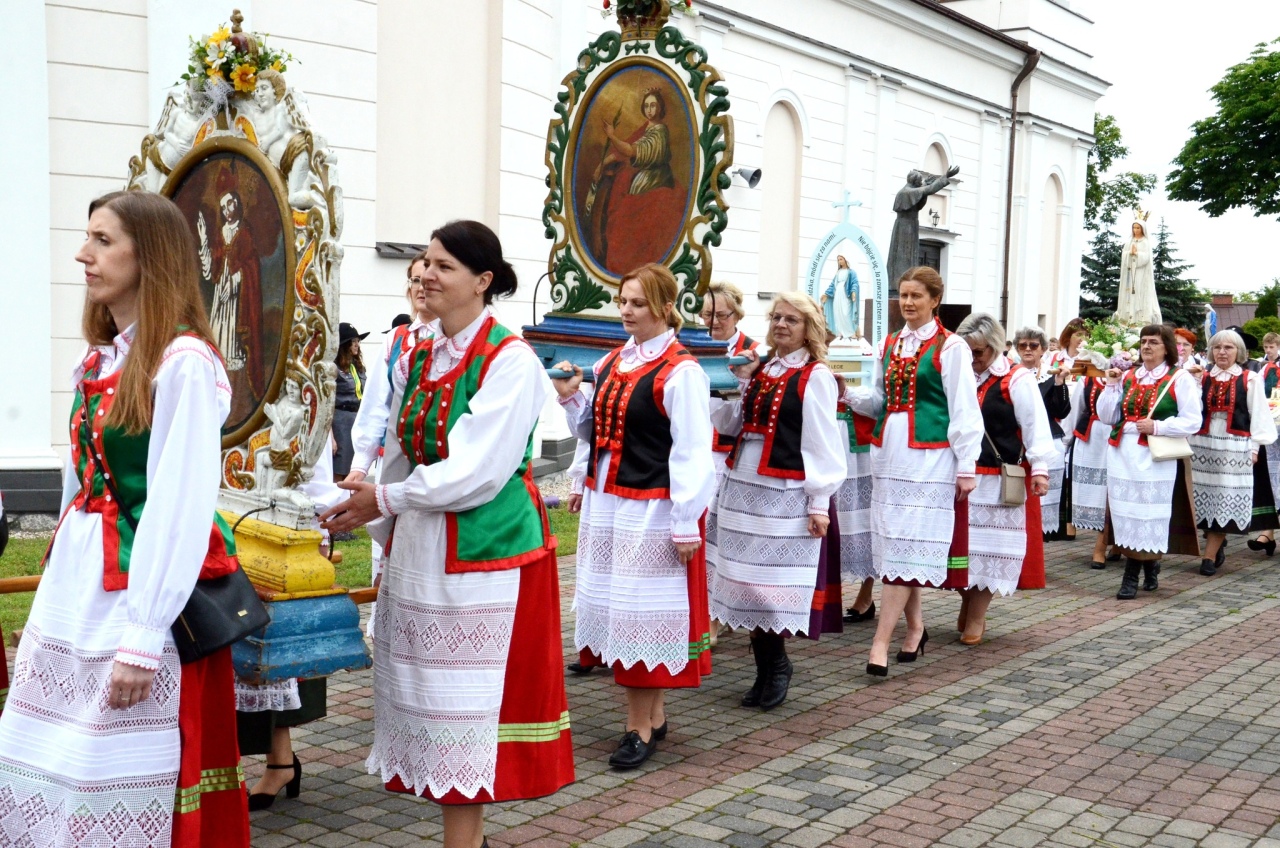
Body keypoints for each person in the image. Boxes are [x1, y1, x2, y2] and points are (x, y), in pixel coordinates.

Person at [0, 191, 248, 846]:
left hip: (140, 589)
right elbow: (82, 486)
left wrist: (143, 635)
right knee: (46, 753)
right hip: (81, 584)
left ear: (152, 255)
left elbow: (178, 503)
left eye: (103, 240)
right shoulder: (102, 358)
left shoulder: (184, 363)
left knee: (111, 765)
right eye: (88, 238)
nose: (84, 254)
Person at [321, 220, 573, 848]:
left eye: (444, 266)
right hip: (422, 541)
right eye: (425, 262)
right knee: (429, 698)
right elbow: (404, 450)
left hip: (483, 550)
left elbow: (475, 472)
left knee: (466, 705)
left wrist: (386, 498)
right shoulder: (420, 349)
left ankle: (466, 842)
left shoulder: (509, 360)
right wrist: (375, 510)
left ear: (483, 282)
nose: (426, 275)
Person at [552, 264, 715, 770]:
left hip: (653, 504)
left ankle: (638, 727)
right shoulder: (610, 363)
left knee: (640, 614)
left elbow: (692, 449)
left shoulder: (681, 371)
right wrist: (574, 400)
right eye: (622, 301)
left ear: (666, 308)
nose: (625, 310)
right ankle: (655, 715)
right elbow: (595, 429)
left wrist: (687, 518)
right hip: (609, 504)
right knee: (617, 611)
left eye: (637, 303)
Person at [710, 293, 845, 710]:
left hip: (784, 492)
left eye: (791, 319)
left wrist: (819, 503)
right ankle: (767, 667)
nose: (781, 325)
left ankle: (777, 665)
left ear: (809, 328)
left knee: (770, 585)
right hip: (743, 483)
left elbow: (822, 441)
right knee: (743, 581)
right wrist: (718, 394)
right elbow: (737, 423)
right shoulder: (763, 368)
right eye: (776, 317)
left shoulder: (815, 375)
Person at [846, 266, 982, 676]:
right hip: (890, 455)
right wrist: (846, 393)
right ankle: (916, 627)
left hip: (930, 457)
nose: (907, 303)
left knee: (907, 544)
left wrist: (967, 465)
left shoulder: (951, 346)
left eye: (916, 296)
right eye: (903, 295)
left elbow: (963, 408)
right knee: (896, 547)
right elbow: (879, 401)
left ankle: (880, 643)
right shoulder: (890, 343)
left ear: (934, 300)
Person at [955, 314, 1053, 645]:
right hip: (959, 476)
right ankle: (966, 600)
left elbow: (1034, 424)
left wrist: (1039, 468)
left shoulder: (1016, 379)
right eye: (968, 351)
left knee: (989, 553)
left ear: (995, 347)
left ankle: (977, 616)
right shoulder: (959, 375)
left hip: (997, 479)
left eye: (979, 352)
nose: (973, 358)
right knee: (960, 551)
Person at [1097, 324, 1202, 599]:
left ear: (1166, 347)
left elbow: (1193, 421)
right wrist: (1110, 385)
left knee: (1147, 513)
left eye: (1153, 342)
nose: (1146, 346)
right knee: (1125, 513)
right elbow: (1108, 417)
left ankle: (1131, 575)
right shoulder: (1129, 376)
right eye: (1144, 341)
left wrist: (1157, 426)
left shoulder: (1179, 378)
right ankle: (1151, 563)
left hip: (1155, 455)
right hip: (1123, 453)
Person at [700, 281, 761, 641]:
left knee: (722, 535)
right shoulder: (694, 346)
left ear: (736, 314)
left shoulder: (753, 351)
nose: (713, 322)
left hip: (729, 454)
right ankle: (704, 607)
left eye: (720, 315)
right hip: (696, 451)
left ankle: (719, 612)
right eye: (706, 314)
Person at [1190, 330, 1278, 576]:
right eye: (1217, 348)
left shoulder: (1249, 378)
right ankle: (1214, 544)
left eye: (1228, 348)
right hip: (1202, 445)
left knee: (1223, 499)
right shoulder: (1203, 377)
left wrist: (1254, 448)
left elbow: (1259, 414)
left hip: (1234, 444)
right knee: (1202, 499)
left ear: (1239, 352)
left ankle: (1208, 556)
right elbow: (1193, 412)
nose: (1222, 352)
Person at [585, 89, 687, 275]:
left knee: (629, 223)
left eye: (653, 105)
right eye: (646, 105)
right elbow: (624, 150)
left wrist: (612, 136)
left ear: (660, 107)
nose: (649, 109)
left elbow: (631, 151)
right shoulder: (646, 128)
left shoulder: (660, 132)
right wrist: (603, 163)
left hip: (655, 182)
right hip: (641, 182)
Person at [1014, 327, 1072, 539]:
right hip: (1017, 443)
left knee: (1043, 499)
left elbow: (1061, 411)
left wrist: (1059, 384)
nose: (1028, 349)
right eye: (1023, 345)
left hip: (1047, 441)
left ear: (1044, 350)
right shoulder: (1011, 374)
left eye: (1034, 345)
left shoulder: (1050, 375)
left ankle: (1038, 552)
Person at [1070, 367, 1115, 568]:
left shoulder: (1127, 380)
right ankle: (1107, 544)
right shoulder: (1086, 381)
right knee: (1093, 494)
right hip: (1090, 441)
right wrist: (1065, 441)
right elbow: (1075, 412)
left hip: (1115, 439)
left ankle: (1102, 546)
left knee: (1111, 492)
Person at [332, 321, 369, 481]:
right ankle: (338, 503)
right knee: (340, 467)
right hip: (341, 420)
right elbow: (328, 402)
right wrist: (331, 436)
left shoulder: (356, 366)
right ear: (344, 344)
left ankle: (348, 502)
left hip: (357, 419)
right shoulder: (334, 369)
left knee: (354, 467)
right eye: (353, 341)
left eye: (358, 341)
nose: (357, 345)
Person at [1116, 220, 1160, 325]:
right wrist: (1129, 253)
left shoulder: (1145, 242)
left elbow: (1146, 258)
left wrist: (1137, 254)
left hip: (1141, 274)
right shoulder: (1129, 242)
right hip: (1130, 273)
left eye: (1138, 228)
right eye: (1134, 228)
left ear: (1142, 229)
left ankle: (1139, 319)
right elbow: (1124, 256)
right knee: (1128, 294)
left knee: (1139, 294)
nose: (1135, 230)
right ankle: (1127, 318)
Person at [821, 256, 860, 338]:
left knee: (846, 312)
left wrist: (853, 292)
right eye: (838, 260)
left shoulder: (851, 272)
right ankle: (840, 331)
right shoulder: (838, 272)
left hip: (846, 294)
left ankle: (851, 332)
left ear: (846, 260)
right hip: (837, 293)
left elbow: (855, 283)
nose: (839, 261)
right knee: (838, 313)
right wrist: (826, 294)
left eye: (841, 259)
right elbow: (832, 285)